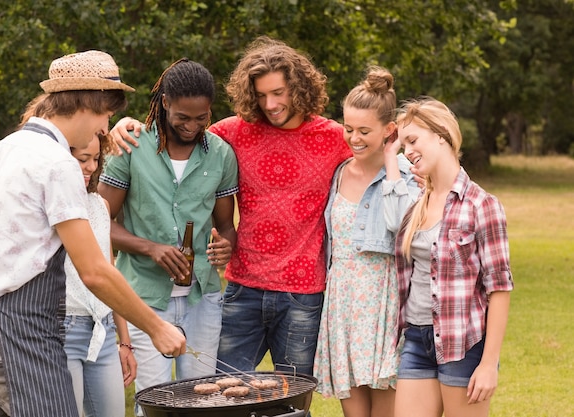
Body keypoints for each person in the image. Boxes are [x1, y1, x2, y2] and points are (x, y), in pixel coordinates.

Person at [0, 50, 185, 417]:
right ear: (89, 103)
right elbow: (94, 270)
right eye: (106, 115)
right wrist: (157, 327)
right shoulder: (56, 161)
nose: (102, 129)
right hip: (25, 344)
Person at [110, 37, 352, 377]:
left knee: (293, 400)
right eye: (261, 94)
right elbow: (177, 127)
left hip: (303, 292)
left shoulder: (335, 137)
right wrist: (126, 124)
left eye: (278, 92)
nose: (270, 104)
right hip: (244, 290)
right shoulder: (232, 133)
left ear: (299, 87)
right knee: (222, 396)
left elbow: (375, 152)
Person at [97, 58, 238, 409]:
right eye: (183, 117)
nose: (192, 126)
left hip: (201, 299)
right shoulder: (130, 147)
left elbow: (225, 227)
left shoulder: (221, 155)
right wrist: (151, 248)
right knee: (155, 399)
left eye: (201, 117)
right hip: (145, 297)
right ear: (164, 103)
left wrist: (225, 247)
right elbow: (99, 222)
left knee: (202, 398)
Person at [393, 97, 513, 417]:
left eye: (413, 140)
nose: (407, 151)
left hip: (464, 344)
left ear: (442, 135)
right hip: (417, 340)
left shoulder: (481, 205)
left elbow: (499, 289)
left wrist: (488, 364)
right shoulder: (415, 204)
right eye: (403, 145)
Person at [313, 67, 420, 417]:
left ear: (390, 131)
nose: (354, 138)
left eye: (364, 131)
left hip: (382, 302)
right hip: (342, 301)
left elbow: (401, 228)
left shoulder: (406, 176)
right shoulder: (340, 171)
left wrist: (391, 162)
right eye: (348, 129)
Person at [64, 132, 137, 417]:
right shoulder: (52, 205)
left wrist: (125, 341)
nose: (92, 167)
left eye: (96, 159)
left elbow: (109, 271)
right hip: (65, 330)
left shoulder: (99, 205)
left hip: (103, 331)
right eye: (83, 159)